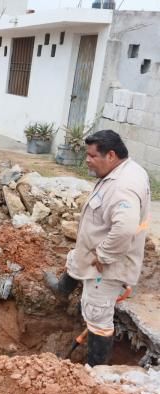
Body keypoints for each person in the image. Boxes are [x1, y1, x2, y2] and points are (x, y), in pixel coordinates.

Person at [45, 130, 151, 366]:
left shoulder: (124, 186)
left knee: (97, 317)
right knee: (75, 259)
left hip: (107, 267)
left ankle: (95, 372)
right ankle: (63, 289)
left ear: (111, 155)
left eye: (92, 156)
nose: (87, 160)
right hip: (93, 251)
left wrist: (104, 254)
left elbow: (124, 229)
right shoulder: (124, 170)